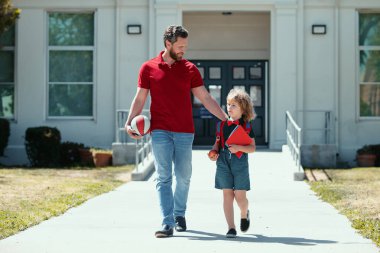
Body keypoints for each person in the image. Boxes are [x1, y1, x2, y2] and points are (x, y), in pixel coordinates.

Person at [125, 25, 228, 238]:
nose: (183, 50)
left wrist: (225, 120)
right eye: (180, 46)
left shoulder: (189, 69)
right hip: (160, 130)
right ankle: (167, 222)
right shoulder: (148, 68)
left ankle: (179, 214)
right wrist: (129, 123)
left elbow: (205, 98)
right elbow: (140, 98)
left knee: (183, 176)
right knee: (163, 177)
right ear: (168, 44)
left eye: (185, 46)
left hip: (184, 131)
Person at [208, 88, 256, 238]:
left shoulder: (247, 126)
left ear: (243, 108)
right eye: (228, 104)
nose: (229, 108)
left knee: (240, 197)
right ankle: (231, 227)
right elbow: (217, 144)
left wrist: (239, 148)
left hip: (240, 162)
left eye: (234, 105)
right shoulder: (221, 125)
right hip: (223, 162)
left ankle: (244, 213)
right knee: (227, 195)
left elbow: (252, 148)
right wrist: (213, 152)